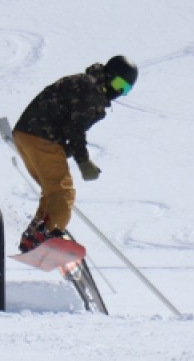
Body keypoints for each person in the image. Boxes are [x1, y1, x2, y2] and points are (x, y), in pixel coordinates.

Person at [12, 55, 138, 253]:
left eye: (125, 89)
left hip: (25, 135)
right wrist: (83, 161)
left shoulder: (86, 86)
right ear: (108, 75)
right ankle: (48, 235)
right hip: (42, 136)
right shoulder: (89, 88)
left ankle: (34, 236)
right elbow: (75, 128)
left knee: (52, 192)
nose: (118, 91)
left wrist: (74, 155)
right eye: (118, 83)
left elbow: (69, 128)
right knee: (64, 192)